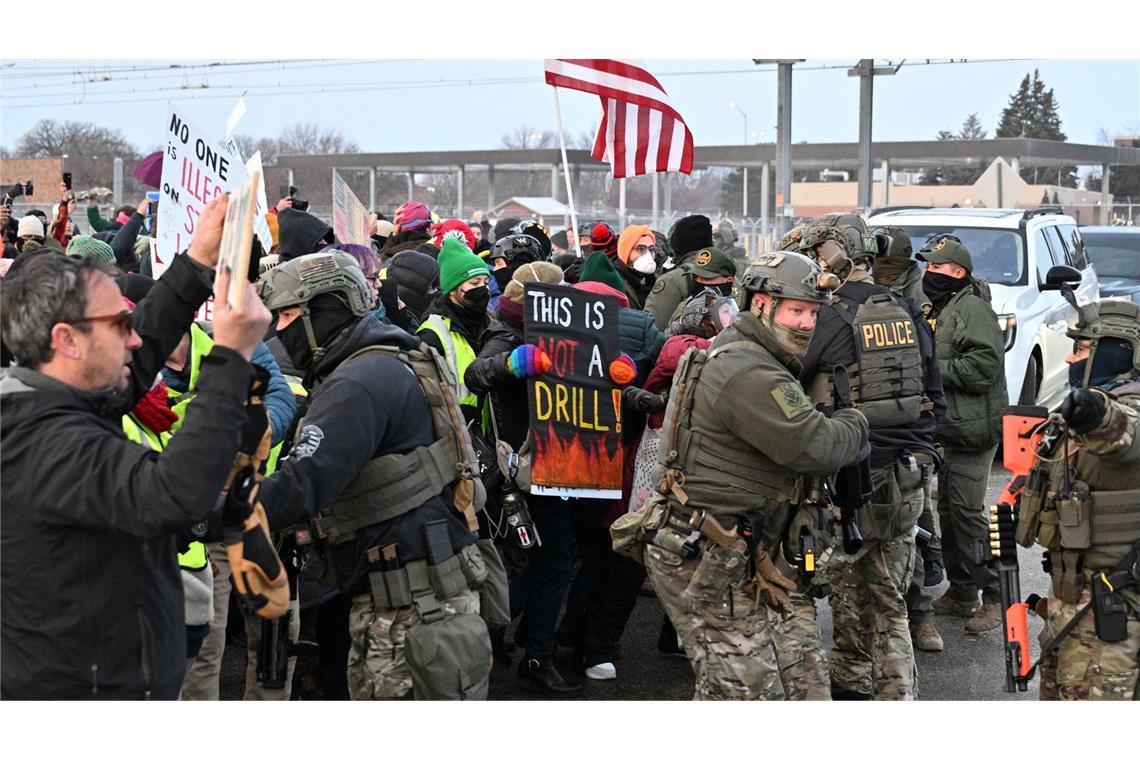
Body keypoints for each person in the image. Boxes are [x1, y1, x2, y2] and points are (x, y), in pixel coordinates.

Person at [1, 195, 272, 699]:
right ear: (67, 340)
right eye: (118, 324)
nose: (133, 339)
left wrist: (195, 264)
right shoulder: (43, 441)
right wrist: (232, 355)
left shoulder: (60, 394)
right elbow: (175, 494)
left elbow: (136, 356)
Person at [256, 251, 492, 700]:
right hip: (417, 589)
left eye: (287, 316)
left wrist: (212, 503)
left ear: (324, 310)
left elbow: (303, 484)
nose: (279, 330)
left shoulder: (358, 382)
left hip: (409, 604)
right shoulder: (387, 356)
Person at [639, 251, 868, 700]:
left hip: (736, 546)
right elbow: (815, 445)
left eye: (813, 313)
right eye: (796, 310)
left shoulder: (755, 355)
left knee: (775, 680)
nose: (806, 323)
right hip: (707, 551)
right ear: (761, 304)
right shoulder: (750, 369)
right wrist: (857, 422)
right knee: (742, 692)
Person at [796, 222, 945, 700]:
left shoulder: (830, 317)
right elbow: (934, 393)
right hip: (909, 474)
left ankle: (856, 691)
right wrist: (924, 450)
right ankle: (891, 697)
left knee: (842, 591)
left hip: (850, 474)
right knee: (888, 598)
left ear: (835, 255)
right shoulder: (907, 309)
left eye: (818, 252)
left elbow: (793, 386)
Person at [463, 261, 587, 695]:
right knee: (526, 563)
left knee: (547, 561)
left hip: (558, 464)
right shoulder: (506, 334)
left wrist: (613, 369)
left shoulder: (567, 333)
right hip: (518, 469)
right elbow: (474, 375)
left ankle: (524, 649)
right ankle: (495, 645)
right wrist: (509, 365)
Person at [1028, 299, 1140, 700]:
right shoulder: (1072, 413)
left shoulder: (1122, 406)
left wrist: (1096, 414)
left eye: (1082, 350)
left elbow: (1124, 435)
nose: (1072, 359)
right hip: (1071, 603)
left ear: (1116, 351)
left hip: (1113, 608)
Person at [917, 234, 1008, 633]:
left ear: (959, 272)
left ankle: (998, 598)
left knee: (969, 516)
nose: (928, 273)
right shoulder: (941, 306)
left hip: (974, 432)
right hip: (950, 429)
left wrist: (934, 372)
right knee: (948, 514)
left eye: (936, 267)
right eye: (927, 267)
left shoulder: (971, 308)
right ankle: (962, 591)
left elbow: (985, 366)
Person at [645, 215, 717, 331]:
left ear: (677, 245)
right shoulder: (729, 276)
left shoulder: (674, 279)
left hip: (682, 347)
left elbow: (650, 329)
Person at [607, 224, 656, 310]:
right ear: (626, 251)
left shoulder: (654, 282)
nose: (648, 255)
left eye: (651, 249)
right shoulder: (612, 282)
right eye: (641, 249)